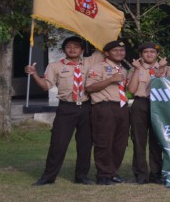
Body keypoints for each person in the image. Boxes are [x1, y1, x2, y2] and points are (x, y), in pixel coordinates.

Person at [24, 36, 104, 185]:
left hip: (87, 107)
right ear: (63, 50)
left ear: (82, 50)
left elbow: (103, 46)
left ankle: (81, 176)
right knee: (58, 143)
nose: (72, 49)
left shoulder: (89, 62)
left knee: (85, 144)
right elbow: (45, 86)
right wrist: (34, 73)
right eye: (68, 47)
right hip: (66, 108)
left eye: (76, 47)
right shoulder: (55, 66)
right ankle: (48, 177)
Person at [85, 40, 130, 185]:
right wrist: (111, 80)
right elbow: (90, 88)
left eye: (121, 50)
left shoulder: (122, 69)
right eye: (115, 50)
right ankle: (103, 175)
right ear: (106, 53)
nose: (119, 53)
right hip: (104, 107)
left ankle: (112, 172)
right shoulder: (98, 68)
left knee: (120, 143)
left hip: (121, 107)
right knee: (104, 141)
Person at [127, 42, 166, 185]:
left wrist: (161, 69)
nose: (149, 54)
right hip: (141, 103)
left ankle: (156, 174)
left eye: (152, 52)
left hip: (159, 105)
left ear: (157, 54)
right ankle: (141, 174)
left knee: (157, 141)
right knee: (139, 140)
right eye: (146, 52)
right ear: (141, 55)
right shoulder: (135, 69)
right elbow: (131, 89)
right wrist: (137, 70)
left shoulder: (165, 68)